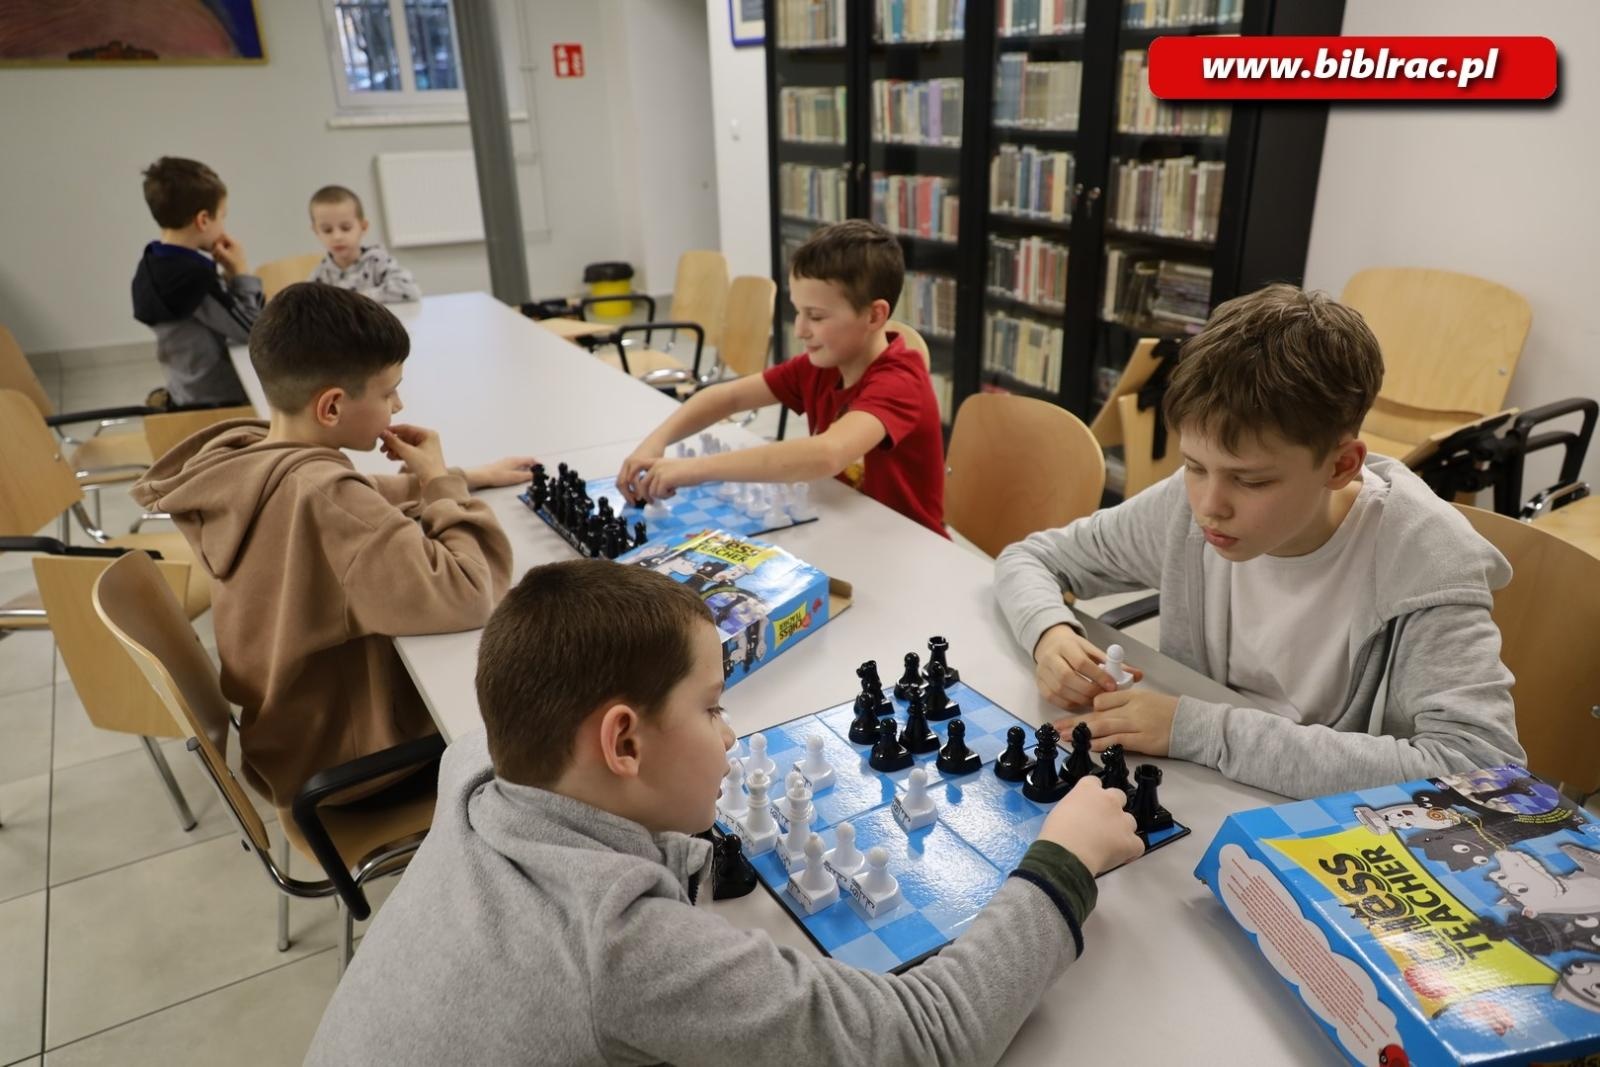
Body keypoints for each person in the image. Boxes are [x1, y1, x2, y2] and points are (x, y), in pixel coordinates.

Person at [306, 559, 1143, 1066]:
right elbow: (921, 1039)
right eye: (712, 708)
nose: (733, 729)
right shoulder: (621, 948)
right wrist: (1062, 860)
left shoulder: (476, 774)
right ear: (623, 742)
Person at [996, 283, 1525, 800]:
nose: (1209, 505)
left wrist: (1200, 730)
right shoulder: (1186, 507)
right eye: (1194, 466)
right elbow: (1031, 557)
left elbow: (1482, 771)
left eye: (1251, 481)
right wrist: (1049, 633)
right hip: (1207, 793)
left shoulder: (1425, 561)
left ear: (1341, 465)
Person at [131, 282, 533, 808]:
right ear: (332, 407)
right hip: (352, 768)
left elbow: (355, 499)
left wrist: (459, 476)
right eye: (389, 391)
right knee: (541, 718)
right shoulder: (325, 494)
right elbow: (469, 592)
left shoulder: (247, 457)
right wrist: (440, 486)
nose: (399, 404)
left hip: (290, 743)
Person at [618, 220, 947, 536]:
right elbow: (727, 398)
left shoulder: (900, 379)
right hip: (847, 526)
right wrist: (656, 442)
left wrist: (696, 469)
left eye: (816, 316)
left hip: (909, 545)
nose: (801, 330)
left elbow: (827, 454)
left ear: (875, 315)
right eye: (798, 311)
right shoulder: (823, 364)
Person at [131, 156, 259, 406]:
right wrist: (241, 273)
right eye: (222, 216)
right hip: (221, 401)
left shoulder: (152, 263)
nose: (223, 226)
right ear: (203, 220)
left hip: (185, 391)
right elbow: (254, 332)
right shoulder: (194, 277)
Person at [307, 184, 421, 303]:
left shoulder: (378, 261)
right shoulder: (320, 274)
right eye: (327, 230)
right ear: (316, 231)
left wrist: (357, 298)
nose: (337, 237)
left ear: (363, 227)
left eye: (346, 228)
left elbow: (411, 291)